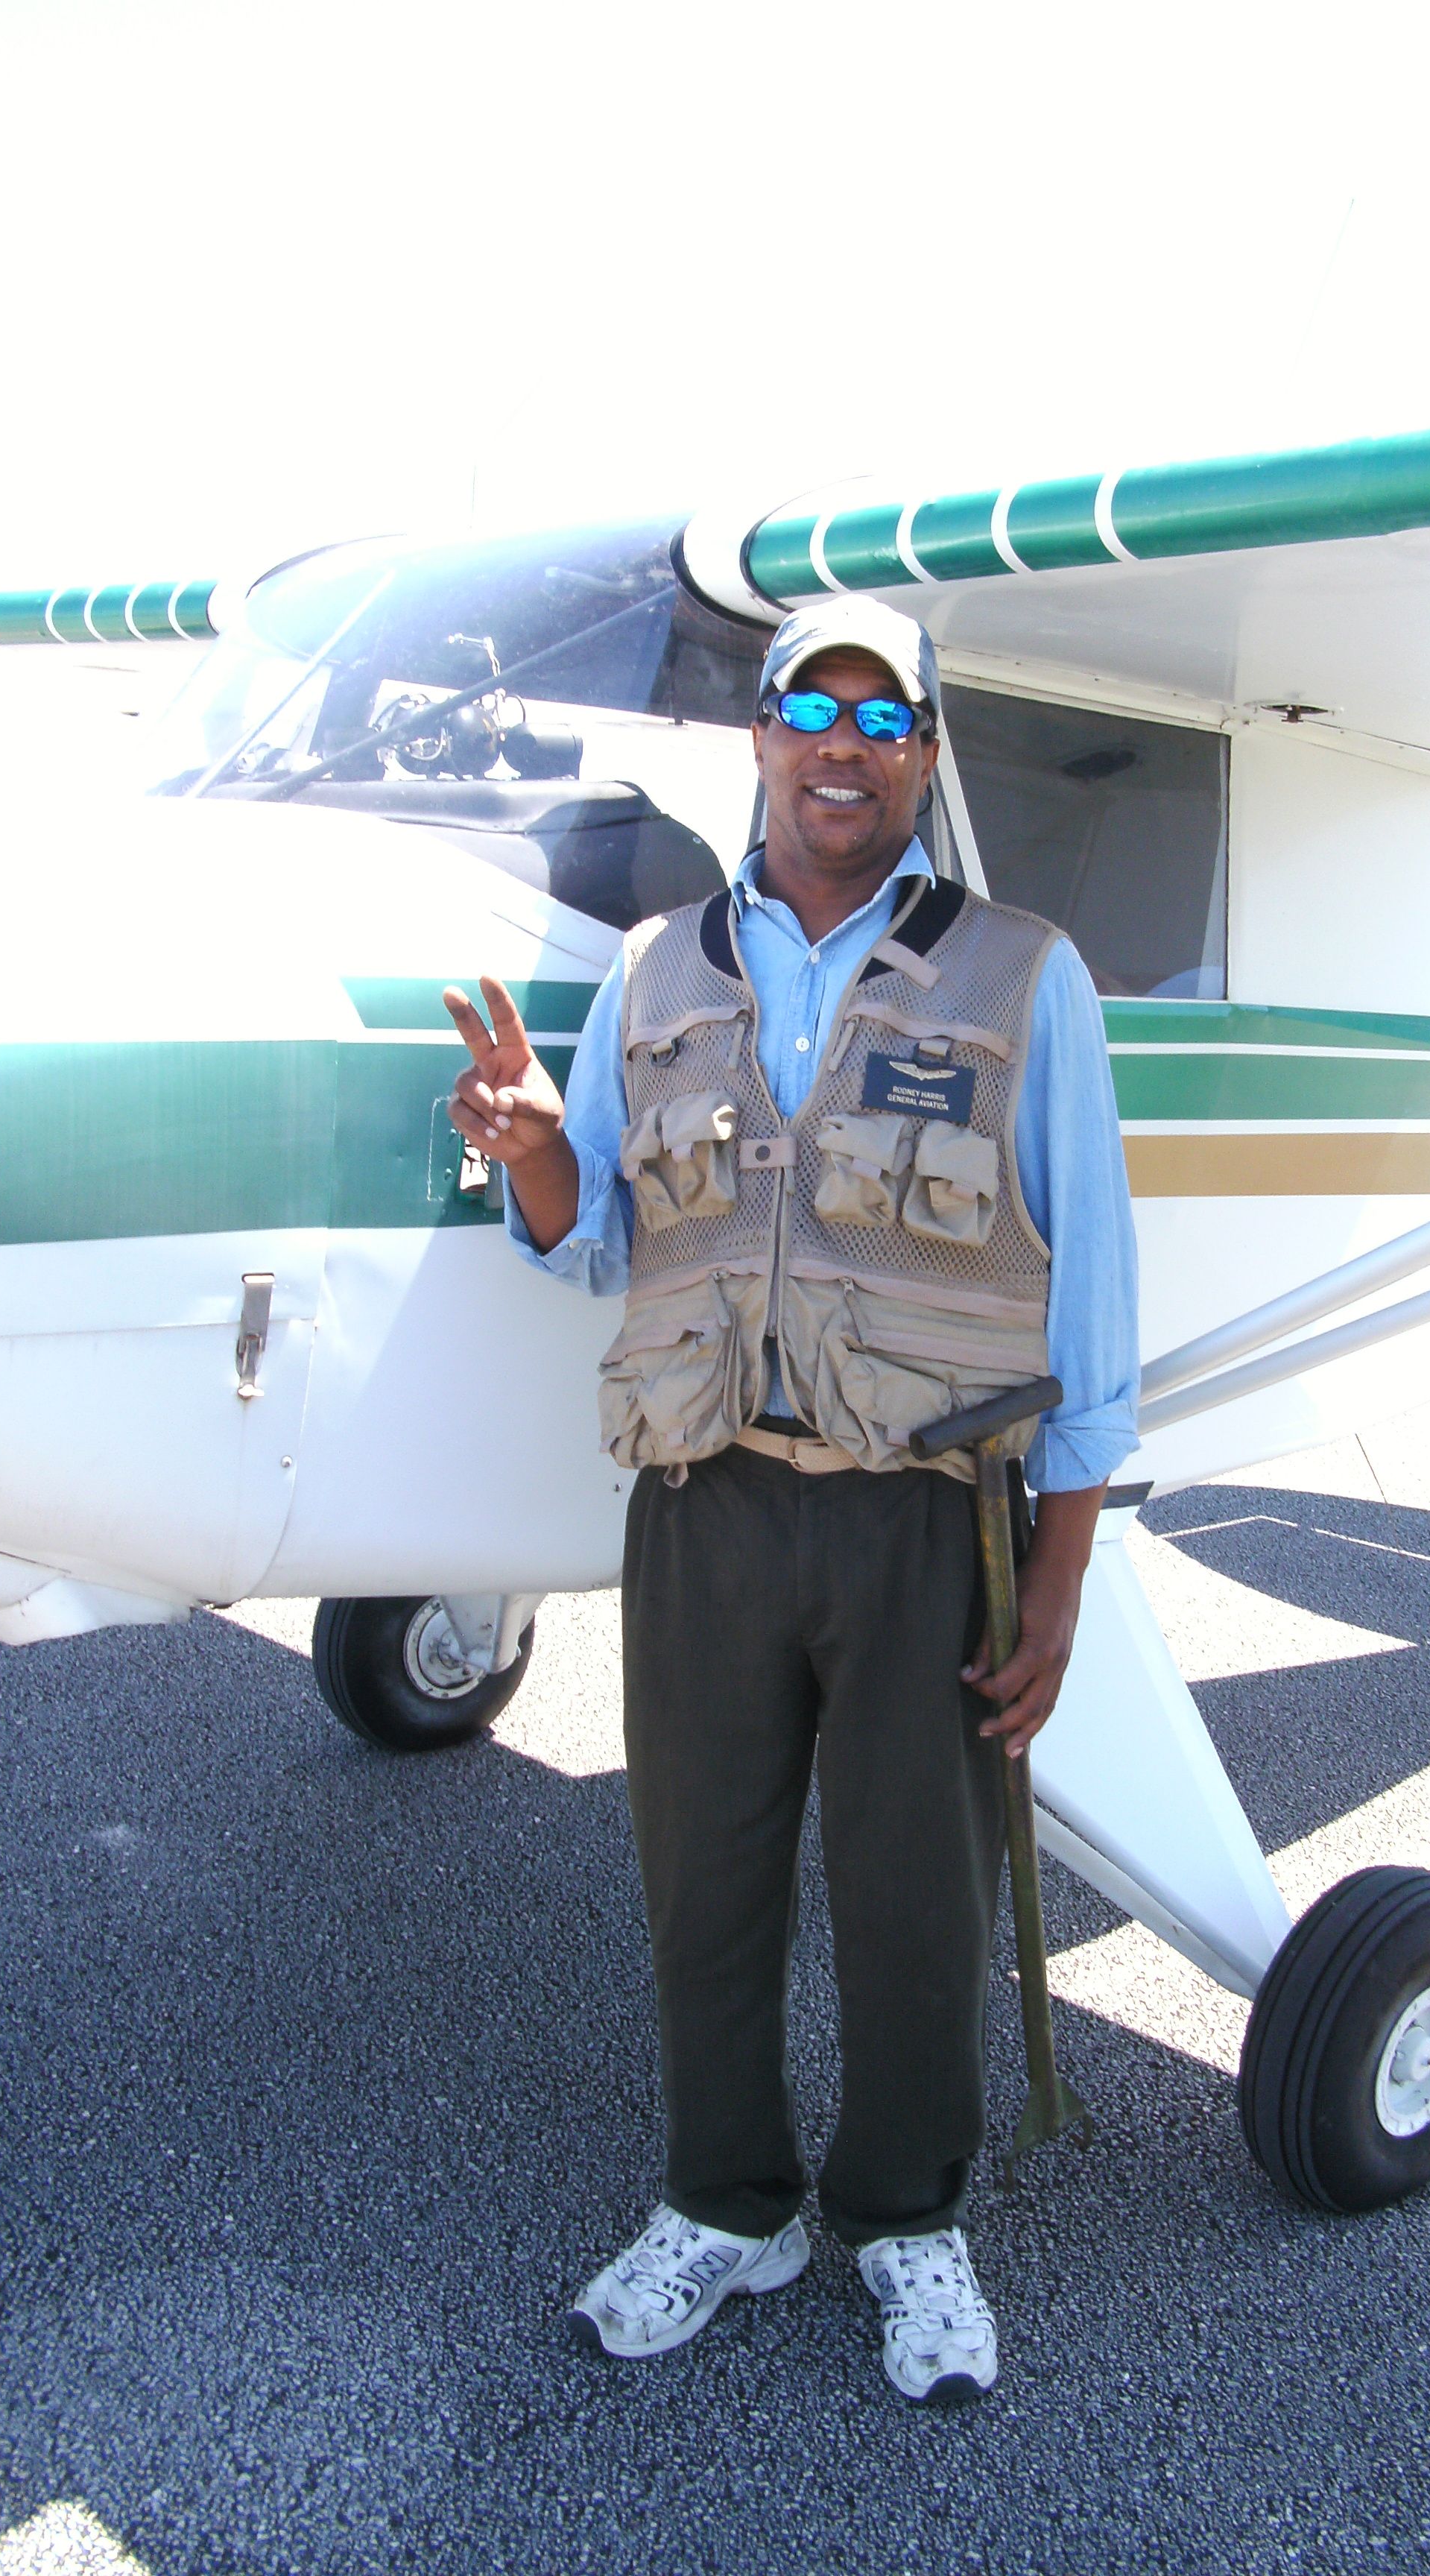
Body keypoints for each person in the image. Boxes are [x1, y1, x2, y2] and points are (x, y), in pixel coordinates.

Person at [443, 596, 1139, 2406]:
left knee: (923, 1898)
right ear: (758, 740)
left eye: (881, 716)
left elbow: (1095, 1300)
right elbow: (591, 1237)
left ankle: (909, 2221)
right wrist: (530, 1152)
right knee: (707, 1885)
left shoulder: (1024, 976)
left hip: (924, 1521)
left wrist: (1060, 1579)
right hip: (706, 1506)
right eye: (808, 709)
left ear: (920, 752)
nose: (842, 744)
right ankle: (727, 2206)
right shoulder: (659, 968)